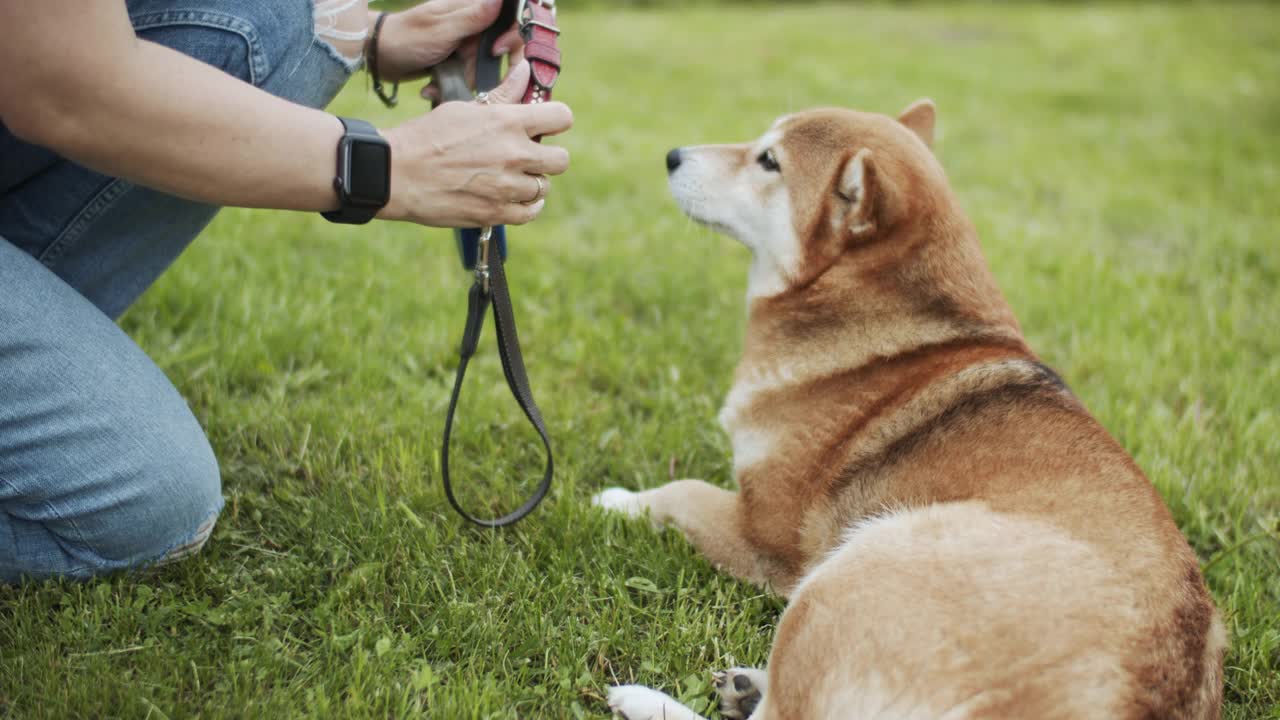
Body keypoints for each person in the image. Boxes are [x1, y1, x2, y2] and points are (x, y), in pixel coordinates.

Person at [0, 0, 573, 583]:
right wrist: (391, 166)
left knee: (309, 24)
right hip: (48, 85)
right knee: (151, 496)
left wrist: (380, 37)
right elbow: (60, 82)